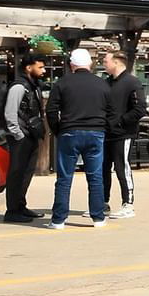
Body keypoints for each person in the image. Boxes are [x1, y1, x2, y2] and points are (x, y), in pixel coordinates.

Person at [44, 48, 110, 228]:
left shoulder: (62, 83)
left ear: (71, 65)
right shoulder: (102, 84)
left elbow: (51, 110)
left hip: (69, 132)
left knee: (64, 177)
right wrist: (104, 129)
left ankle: (58, 219)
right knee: (95, 176)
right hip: (96, 133)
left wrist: (58, 130)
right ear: (89, 64)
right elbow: (111, 112)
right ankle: (98, 217)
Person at [1, 54, 48, 223]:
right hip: (21, 137)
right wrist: (18, 135)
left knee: (26, 173)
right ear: (29, 68)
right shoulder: (19, 87)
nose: (43, 70)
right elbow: (10, 113)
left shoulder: (32, 85)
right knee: (16, 174)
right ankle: (12, 210)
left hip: (31, 135)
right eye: (40, 67)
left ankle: (21, 206)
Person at [102, 51, 144, 220]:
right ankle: (102, 203)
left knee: (122, 167)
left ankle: (128, 203)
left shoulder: (132, 82)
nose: (103, 63)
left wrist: (121, 121)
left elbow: (140, 108)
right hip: (106, 133)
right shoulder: (106, 83)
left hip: (123, 133)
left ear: (117, 62)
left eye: (106, 61)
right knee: (103, 168)